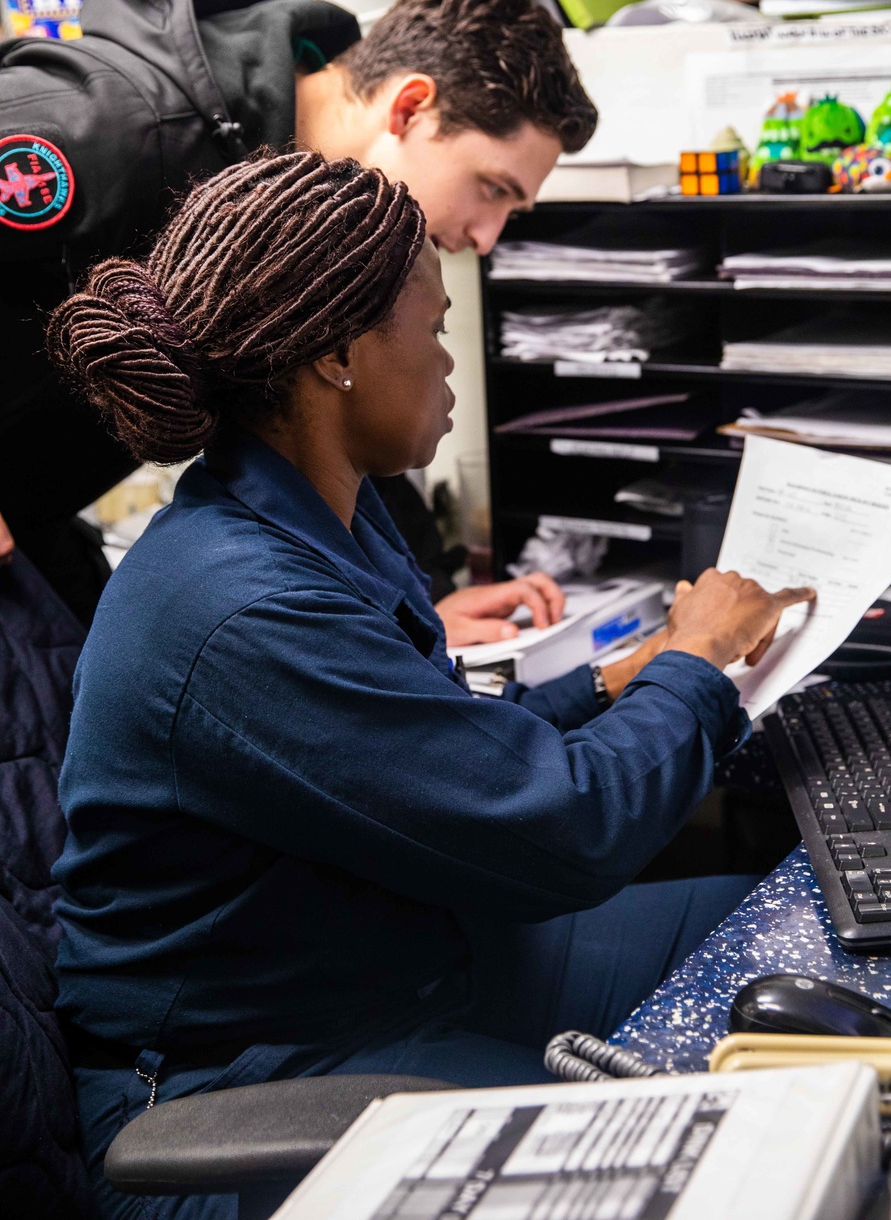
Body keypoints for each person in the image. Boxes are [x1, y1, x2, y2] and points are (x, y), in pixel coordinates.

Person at [48, 152, 814, 1220]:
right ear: (338, 356)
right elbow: (563, 827)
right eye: (433, 323)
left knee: (776, 933)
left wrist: (612, 679)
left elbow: (438, 742)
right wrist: (691, 661)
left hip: (401, 958)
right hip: (256, 1077)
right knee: (691, 1166)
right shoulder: (242, 604)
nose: (451, 359)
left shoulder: (318, 519)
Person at [0, 0, 596, 633]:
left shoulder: (317, 219)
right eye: (492, 189)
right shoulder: (121, 129)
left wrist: (420, 597)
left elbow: (332, 416)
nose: (485, 237)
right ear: (409, 108)